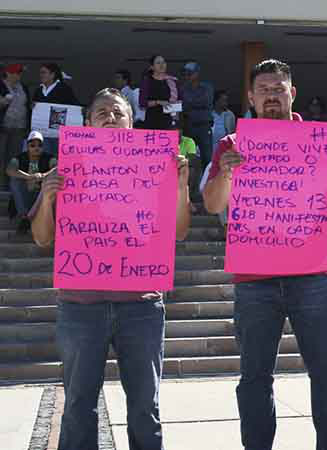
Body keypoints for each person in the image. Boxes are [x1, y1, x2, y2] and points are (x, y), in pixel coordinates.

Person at [202, 59, 327, 450]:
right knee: (254, 377)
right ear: (250, 97)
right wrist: (227, 175)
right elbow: (213, 205)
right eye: (263, 89)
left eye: (278, 88)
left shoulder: (324, 140)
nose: (271, 95)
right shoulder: (231, 145)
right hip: (255, 280)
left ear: (293, 93)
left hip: (315, 275)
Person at [31, 88, 191, 450]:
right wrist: (47, 199)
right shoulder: (63, 171)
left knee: (144, 409)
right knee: (77, 407)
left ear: (131, 122)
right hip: (80, 305)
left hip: (142, 305)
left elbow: (179, 231)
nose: (109, 117)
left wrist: (180, 188)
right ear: (87, 123)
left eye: (117, 112)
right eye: (101, 112)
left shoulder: (158, 169)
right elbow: (42, 239)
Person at [6, 131, 55, 233]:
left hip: (41, 197)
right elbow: (10, 170)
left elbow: (58, 168)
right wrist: (29, 177)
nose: (36, 148)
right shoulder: (19, 158)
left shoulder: (49, 157)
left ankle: (29, 219)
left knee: (51, 181)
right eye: (32, 145)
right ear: (27, 146)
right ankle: (25, 217)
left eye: (39, 145)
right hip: (24, 197)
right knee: (14, 180)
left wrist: (44, 175)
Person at [33, 63, 80, 155]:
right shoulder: (38, 90)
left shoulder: (64, 89)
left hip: (58, 133)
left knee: (57, 156)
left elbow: (74, 107)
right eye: (40, 73)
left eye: (44, 73)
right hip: (42, 131)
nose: (41, 75)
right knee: (44, 155)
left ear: (52, 74)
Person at [179, 61, 215, 169]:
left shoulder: (207, 87)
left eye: (189, 73)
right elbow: (182, 106)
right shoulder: (183, 89)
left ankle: (206, 184)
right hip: (189, 126)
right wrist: (192, 103)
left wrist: (189, 103)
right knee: (188, 158)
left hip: (204, 127)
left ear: (197, 74)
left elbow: (206, 101)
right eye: (185, 74)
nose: (187, 76)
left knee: (207, 158)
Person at [1, 63, 31, 190]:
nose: (18, 75)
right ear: (7, 73)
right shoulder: (1, 85)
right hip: (3, 126)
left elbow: (27, 104)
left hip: (19, 127)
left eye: (19, 73)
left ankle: (11, 184)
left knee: (14, 157)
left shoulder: (23, 86)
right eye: (16, 72)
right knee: (1, 155)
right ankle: (1, 184)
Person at [139, 55, 178, 130]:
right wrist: (158, 102)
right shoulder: (147, 82)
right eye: (158, 63)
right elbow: (142, 103)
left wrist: (176, 121)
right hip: (152, 121)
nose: (162, 65)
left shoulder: (172, 81)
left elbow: (180, 100)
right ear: (152, 67)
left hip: (169, 121)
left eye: (163, 62)